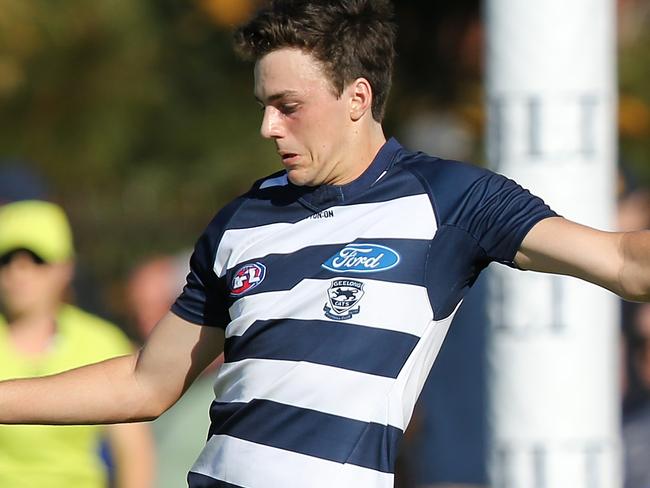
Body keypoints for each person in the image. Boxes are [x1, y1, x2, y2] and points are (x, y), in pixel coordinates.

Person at [1, 2, 650, 487]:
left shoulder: (450, 201)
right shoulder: (242, 219)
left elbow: (624, 260)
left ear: (356, 98)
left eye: (287, 105)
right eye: (263, 103)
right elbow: (146, 384)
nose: (267, 125)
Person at [0, 200, 154, 488]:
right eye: (5, 260)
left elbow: (133, 453)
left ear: (65, 267)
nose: (18, 273)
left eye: (36, 259)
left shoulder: (101, 341)